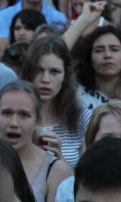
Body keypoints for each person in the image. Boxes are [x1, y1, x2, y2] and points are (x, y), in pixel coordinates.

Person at [0, 81, 72, 202]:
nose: (14, 123)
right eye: (7, 113)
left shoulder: (56, 171)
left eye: (24, 115)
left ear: (37, 121)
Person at [22, 35, 91, 167]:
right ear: (29, 72)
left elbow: (87, 177)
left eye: (54, 72)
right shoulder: (14, 116)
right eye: (39, 70)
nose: (45, 79)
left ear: (66, 74)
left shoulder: (82, 118)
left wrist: (59, 161)